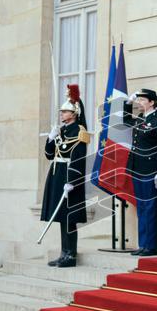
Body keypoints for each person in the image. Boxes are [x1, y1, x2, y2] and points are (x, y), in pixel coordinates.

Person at [42, 84, 90, 267]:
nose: (62, 114)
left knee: (70, 217)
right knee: (62, 217)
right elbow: (49, 155)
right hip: (57, 174)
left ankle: (71, 255)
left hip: (70, 177)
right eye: (62, 112)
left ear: (74, 113)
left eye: (65, 111)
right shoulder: (61, 130)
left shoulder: (80, 131)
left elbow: (79, 158)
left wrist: (72, 181)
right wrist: (50, 139)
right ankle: (64, 252)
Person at [128, 89, 157, 256]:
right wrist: (128, 102)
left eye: (142, 100)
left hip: (152, 171)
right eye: (138, 100)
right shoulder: (139, 119)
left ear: (152, 102)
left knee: (151, 208)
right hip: (137, 169)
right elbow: (122, 119)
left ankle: (151, 246)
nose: (139, 103)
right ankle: (143, 244)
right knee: (141, 208)